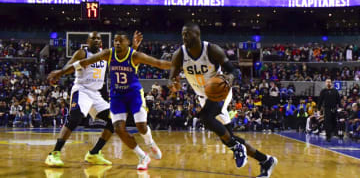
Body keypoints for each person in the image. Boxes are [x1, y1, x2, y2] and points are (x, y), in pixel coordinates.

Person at [48, 31, 171, 170]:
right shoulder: (83, 53)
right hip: (82, 90)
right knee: (75, 117)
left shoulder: (106, 53)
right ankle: (54, 153)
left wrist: (134, 48)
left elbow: (126, 59)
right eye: (92, 38)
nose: (96, 40)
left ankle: (94, 153)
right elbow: (76, 64)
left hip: (96, 94)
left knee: (112, 122)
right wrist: (60, 72)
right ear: (87, 41)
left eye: (98, 38)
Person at [168, 23, 277, 178]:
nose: (184, 37)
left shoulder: (212, 50)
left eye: (188, 34)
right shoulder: (179, 54)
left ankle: (236, 147)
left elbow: (235, 70)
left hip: (220, 93)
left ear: (197, 35)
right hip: (203, 97)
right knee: (228, 137)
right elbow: (172, 75)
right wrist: (174, 83)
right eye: (183, 34)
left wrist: (228, 78)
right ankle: (266, 161)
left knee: (205, 118)